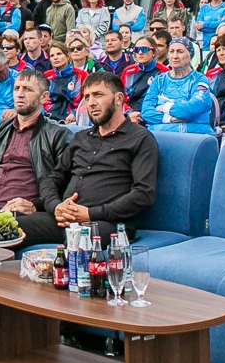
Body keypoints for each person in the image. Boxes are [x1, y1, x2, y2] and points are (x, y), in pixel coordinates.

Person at [0, 69, 74, 244]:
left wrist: (36, 205)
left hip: (19, 213)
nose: (20, 94)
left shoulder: (57, 135)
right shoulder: (3, 128)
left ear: (44, 97)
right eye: (17, 88)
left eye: (27, 89)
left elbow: (66, 184)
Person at [33, 71, 159, 238]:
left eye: (98, 95)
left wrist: (90, 214)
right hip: (64, 218)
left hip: (107, 224)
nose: (91, 103)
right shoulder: (80, 138)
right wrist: (56, 207)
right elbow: (52, 179)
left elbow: (143, 194)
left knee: (78, 240)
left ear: (119, 99)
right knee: (7, 228)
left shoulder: (141, 139)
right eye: (87, 97)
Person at [139, 37, 216, 135]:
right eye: (171, 51)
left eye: (180, 52)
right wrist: (170, 118)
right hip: (160, 136)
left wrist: (163, 107)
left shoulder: (199, 80)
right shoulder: (158, 80)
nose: (175, 56)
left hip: (194, 136)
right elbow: (146, 112)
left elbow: (191, 109)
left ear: (190, 55)